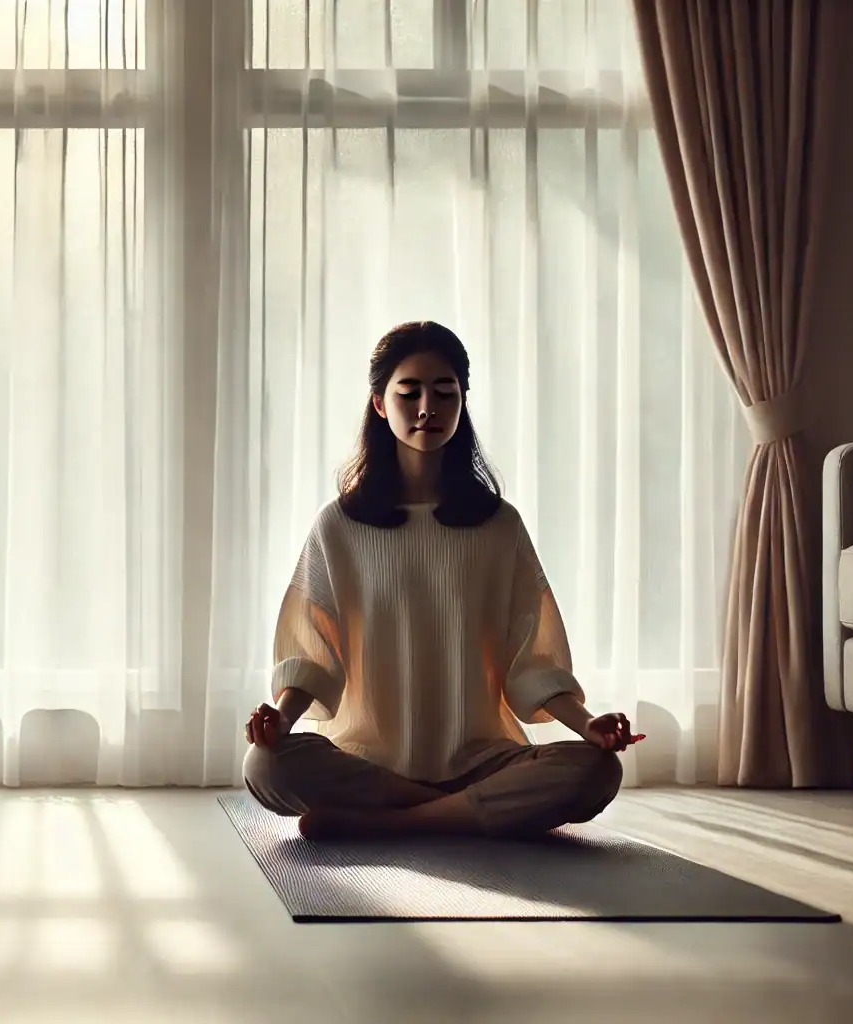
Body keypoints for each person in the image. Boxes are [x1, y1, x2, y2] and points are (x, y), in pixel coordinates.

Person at [243, 321, 640, 842]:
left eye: (445, 392)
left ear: (462, 401)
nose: (427, 407)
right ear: (380, 405)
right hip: (369, 763)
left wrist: (587, 726)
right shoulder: (340, 524)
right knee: (264, 766)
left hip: (483, 760)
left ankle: (389, 825)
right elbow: (316, 656)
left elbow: (531, 661)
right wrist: (279, 719)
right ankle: (457, 815)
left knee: (597, 770)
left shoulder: (499, 525)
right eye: (409, 392)